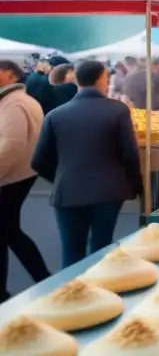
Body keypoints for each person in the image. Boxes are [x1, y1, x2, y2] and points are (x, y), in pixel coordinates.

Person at [31, 60, 142, 268]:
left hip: (68, 192)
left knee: (71, 256)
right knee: (101, 253)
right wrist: (136, 184)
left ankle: (72, 296)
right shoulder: (117, 111)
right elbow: (129, 154)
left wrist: (62, 176)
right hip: (108, 191)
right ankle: (98, 295)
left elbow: (38, 160)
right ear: (101, 78)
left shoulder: (55, 115)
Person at [0, 60, 50, 300]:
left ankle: (45, 280)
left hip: (12, 176)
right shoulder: (18, 100)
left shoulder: (14, 103)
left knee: (8, 231)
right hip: (19, 174)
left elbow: (12, 145)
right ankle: (44, 280)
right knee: (8, 231)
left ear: (10, 75)